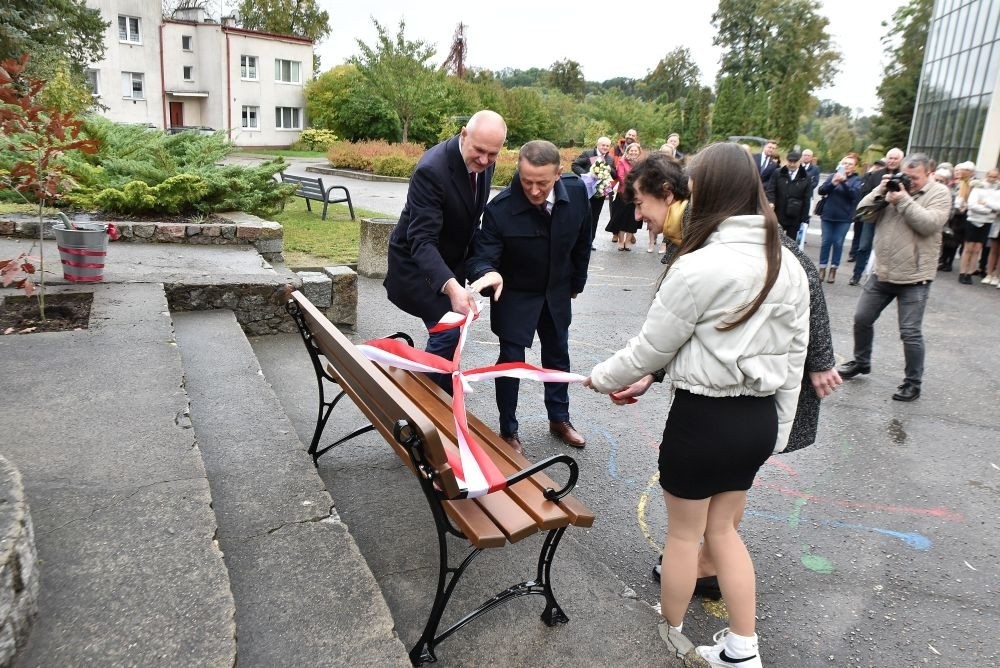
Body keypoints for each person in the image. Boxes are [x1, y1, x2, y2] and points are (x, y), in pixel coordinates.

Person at [584, 142, 809, 668]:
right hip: (755, 421)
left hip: (703, 419)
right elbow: (795, 357)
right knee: (725, 532)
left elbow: (649, 349)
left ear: (704, 191)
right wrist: (779, 425)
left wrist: (599, 377)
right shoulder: (788, 264)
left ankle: (669, 639)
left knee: (683, 537)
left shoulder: (699, 266)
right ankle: (743, 650)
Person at [467, 140, 592, 452]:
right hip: (514, 295)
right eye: (526, 182)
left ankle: (559, 418)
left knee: (557, 355)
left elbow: (582, 241)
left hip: (556, 292)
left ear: (559, 174)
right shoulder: (500, 209)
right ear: (518, 172)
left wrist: (577, 282)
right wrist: (487, 271)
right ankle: (508, 430)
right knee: (511, 362)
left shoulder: (576, 193)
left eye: (542, 183)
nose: (534, 191)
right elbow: (482, 255)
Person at [383, 110, 507, 392]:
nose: (485, 161)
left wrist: (484, 267)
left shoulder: (483, 163)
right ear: (464, 134)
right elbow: (421, 240)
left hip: (449, 259)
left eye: (493, 154)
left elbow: (471, 220)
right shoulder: (432, 170)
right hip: (417, 263)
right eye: (479, 151)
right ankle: (420, 404)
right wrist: (452, 287)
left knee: (454, 329)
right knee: (448, 330)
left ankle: (442, 391)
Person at [838, 153, 951, 402]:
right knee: (861, 319)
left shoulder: (939, 194)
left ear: (929, 174)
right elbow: (862, 213)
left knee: (910, 332)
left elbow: (929, 224)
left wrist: (903, 199)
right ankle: (861, 361)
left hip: (915, 276)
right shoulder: (891, 190)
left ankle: (913, 382)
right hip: (883, 272)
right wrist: (880, 191)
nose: (908, 181)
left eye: (915, 178)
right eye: (905, 175)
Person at [848, 148, 904, 285]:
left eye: (895, 158)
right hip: (873, 215)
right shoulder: (877, 175)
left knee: (887, 247)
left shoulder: (904, 176)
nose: (892, 161)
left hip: (893, 217)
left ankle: (880, 278)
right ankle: (856, 275)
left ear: (901, 160)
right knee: (864, 246)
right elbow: (865, 193)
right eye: (890, 158)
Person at [815, 153, 863, 284]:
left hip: (844, 218)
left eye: (850, 164)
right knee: (825, 242)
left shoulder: (857, 180)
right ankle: (822, 268)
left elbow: (854, 196)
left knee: (837, 243)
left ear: (855, 167)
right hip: (828, 215)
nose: (847, 166)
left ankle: (833, 269)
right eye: (845, 163)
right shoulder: (832, 176)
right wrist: (833, 183)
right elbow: (821, 191)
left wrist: (844, 183)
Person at [571, 136, 616, 248]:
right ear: (597, 145)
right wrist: (587, 175)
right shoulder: (588, 154)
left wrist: (609, 169)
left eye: (607, 146)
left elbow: (615, 174)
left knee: (594, 217)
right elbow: (575, 165)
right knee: (582, 215)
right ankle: (577, 240)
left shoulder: (610, 159)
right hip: (586, 190)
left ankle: (589, 242)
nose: (605, 147)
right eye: (603, 145)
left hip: (600, 192)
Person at [958, 163, 995, 284]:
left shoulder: (997, 191)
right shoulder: (978, 187)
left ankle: (970, 273)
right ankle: (962, 272)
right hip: (973, 220)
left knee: (977, 249)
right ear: (987, 176)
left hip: (987, 222)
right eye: (991, 176)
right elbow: (972, 205)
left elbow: (998, 206)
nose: (993, 179)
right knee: (968, 248)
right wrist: (989, 209)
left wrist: (986, 204)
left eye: (995, 177)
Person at [765, 150, 813, 239]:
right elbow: (770, 190)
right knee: (775, 241)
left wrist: (804, 218)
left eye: (795, 162)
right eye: (790, 161)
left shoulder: (806, 177)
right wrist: (771, 202)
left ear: (800, 161)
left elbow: (807, 198)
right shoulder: (778, 173)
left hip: (795, 216)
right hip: (778, 214)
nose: (792, 164)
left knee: (791, 245)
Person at [606, 142, 643, 250]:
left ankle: (628, 241)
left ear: (639, 152)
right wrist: (632, 186)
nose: (633, 152)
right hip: (624, 193)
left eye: (635, 150)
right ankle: (621, 241)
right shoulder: (622, 161)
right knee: (622, 218)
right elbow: (621, 176)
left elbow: (644, 176)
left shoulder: (642, 163)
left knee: (633, 219)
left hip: (637, 194)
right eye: (631, 150)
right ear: (628, 151)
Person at [977, 169, 1000, 286]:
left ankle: (997, 276)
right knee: (993, 250)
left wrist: (986, 203)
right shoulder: (996, 190)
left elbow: (996, 206)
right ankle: (989, 273)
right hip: (997, 223)